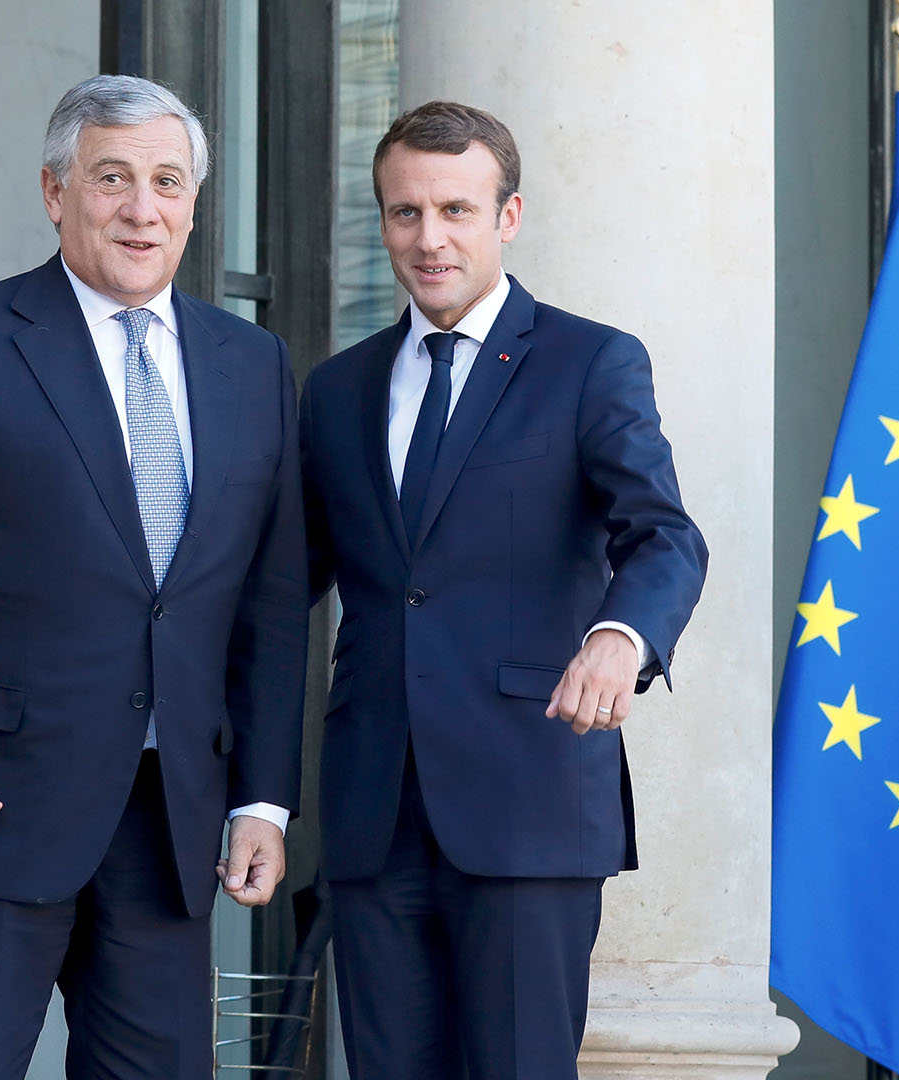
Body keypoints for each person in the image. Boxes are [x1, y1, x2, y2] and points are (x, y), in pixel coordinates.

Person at [0, 73, 308, 1079]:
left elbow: (270, 599)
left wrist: (262, 799)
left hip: (170, 824)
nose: (141, 208)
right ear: (54, 192)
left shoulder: (252, 363)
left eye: (167, 182)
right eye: (111, 177)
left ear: (193, 205)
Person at [299, 101, 707, 1079]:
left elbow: (664, 536)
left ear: (508, 216)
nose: (429, 238)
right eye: (405, 212)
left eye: (456, 210)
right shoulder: (337, 388)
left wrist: (619, 637)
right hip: (372, 814)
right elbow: (283, 590)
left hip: (531, 801)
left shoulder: (591, 360)